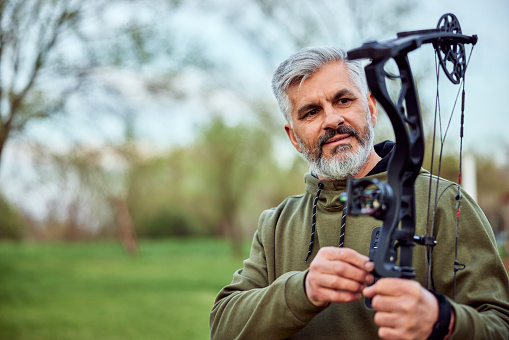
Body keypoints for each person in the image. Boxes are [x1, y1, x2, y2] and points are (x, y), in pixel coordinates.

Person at [209, 47, 509, 339]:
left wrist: (444, 321)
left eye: (343, 100)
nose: (332, 120)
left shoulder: (443, 201)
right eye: (311, 112)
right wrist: (303, 290)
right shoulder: (276, 224)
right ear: (294, 138)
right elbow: (223, 328)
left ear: (371, 108)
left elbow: (500, 324)